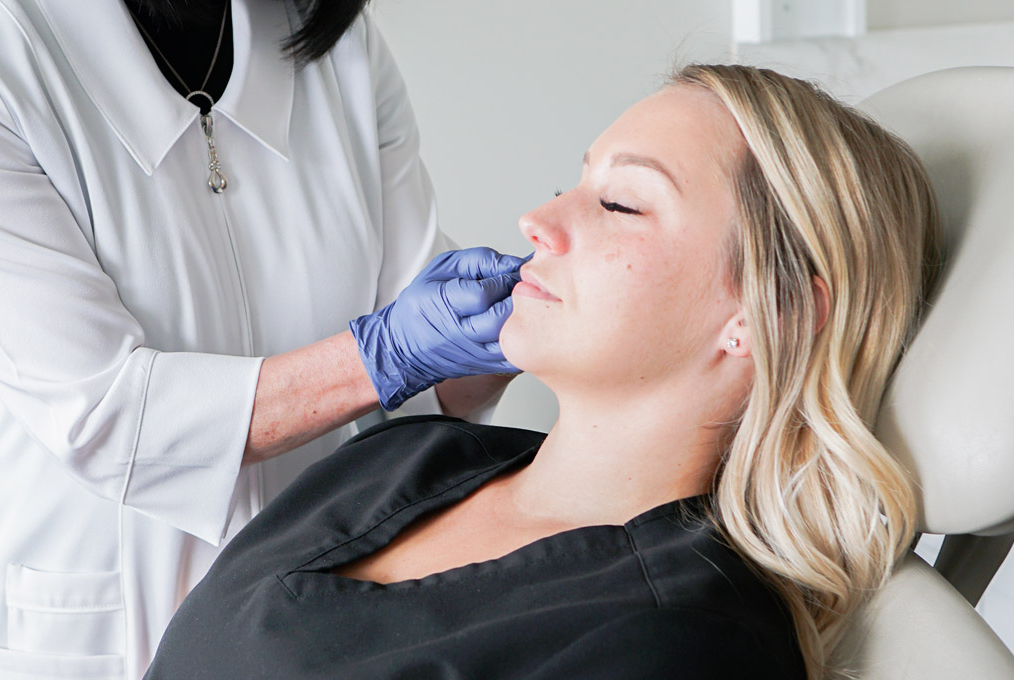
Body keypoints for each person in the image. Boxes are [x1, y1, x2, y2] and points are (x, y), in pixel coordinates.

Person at [142, 63, 943, 679]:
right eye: (576, 183)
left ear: (775, 315)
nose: (538, 220)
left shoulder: (680, 641)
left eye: (620, 203)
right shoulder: (403, 455)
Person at [0, 1, 521, 677]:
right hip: (107, 628)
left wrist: (506, 336)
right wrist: (381, 356)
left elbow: (421, 399)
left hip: (312, 626)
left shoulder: (338, 44)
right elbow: (104, 413)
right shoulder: (6, 56)